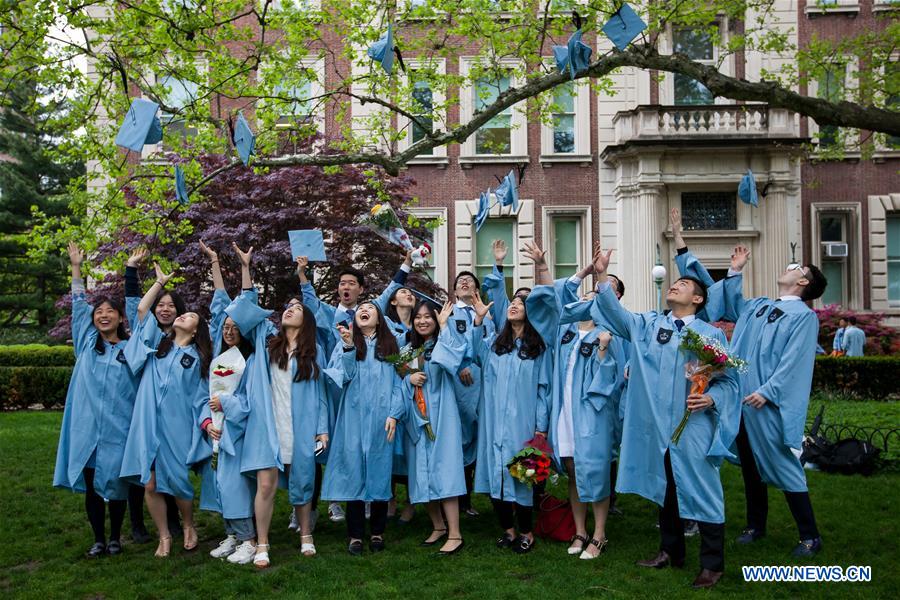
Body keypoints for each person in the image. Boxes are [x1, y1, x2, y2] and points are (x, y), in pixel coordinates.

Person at [590, 242, 739, 590]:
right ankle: (670, 551)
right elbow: (617, 316)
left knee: (703, 489)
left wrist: (712, 399)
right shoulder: (648, 324)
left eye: (684, 285)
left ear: (698, 300)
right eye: (674, 283)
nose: (675, 285)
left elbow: (731, 380)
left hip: (692, 425)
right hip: (656, 423)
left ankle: (712, 564)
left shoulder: (709, 335)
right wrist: (601, 275)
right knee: (666, 487)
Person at [720, 245, 829, 558]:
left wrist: (768, 391)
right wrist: (736, 270)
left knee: (784, 465)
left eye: (796, 267)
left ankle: (810, 536)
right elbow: (732, 306)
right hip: (743, 399)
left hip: (765, 402)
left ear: (804, 282)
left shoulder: (804, 318)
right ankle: (756, 526)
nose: (789, 268)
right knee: (751, 467)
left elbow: (795, 362)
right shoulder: (762, 306)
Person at [227, 262, 330, 568]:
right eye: (287, 307)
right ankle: (262, 543)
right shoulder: (266, 342)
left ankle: (306, 535)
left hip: (301, 424)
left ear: (306, 320)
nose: (289, 309)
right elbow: (247, 307)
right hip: (267, 425)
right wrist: (246, 268)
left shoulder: (313, 353)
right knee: (266, 485)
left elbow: (322, 394)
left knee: (302, 483)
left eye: (296, 308)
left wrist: (322, 428)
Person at [298, 252, 412, 524]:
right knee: (339, 443)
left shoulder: (370, 311)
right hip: (335, 382)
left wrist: (407, 264)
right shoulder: (329, 314)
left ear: (360, 289)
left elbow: (390, 291)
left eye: (351, 282)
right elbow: (310, 302)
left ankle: (373, 498)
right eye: (342, 283)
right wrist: (302, 274)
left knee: (368, 441)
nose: (345, 287)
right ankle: (337, 499)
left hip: (366, 384)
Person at [471, 241, 559, 555]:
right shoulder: (497, 346)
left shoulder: (537, 350)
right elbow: (473, 350)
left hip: (523, 424)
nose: (514, 305)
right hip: (494, 423)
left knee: (522, 477)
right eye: (512, 303)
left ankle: (526, 531)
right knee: (496, 475)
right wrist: (498, 266)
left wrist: (541, 428)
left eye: (521, 303)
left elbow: (543, 391)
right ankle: (507, 530)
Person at [53, 243, 140, 558]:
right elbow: (78, 305)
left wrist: (132, 271)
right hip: (88, 427)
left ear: (119, 318)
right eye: (99, 312)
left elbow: (138, 312)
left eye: (110, 312)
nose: (103, 316)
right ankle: (98, 539)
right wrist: (76, 268)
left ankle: (116, 537)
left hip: (119, 427)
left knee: (117, 485)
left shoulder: (131, 350)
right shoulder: (87, 344)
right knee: (91, 485)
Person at [120, 263, 213, 558]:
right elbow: (141, 312)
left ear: (196, 329)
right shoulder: (157, 345)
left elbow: (200, 398)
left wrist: (205, 422)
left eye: (188, 316)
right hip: (147, 422)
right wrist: (158, 284)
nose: (181, 315)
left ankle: (187, 525)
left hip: (177, 425)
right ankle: (164, 536)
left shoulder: (197, 358)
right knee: (149, 482)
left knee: (178, 481)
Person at [322, 301, 405, 555]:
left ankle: (378, 532)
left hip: (382, 420)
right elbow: (343, 376)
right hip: (354, 419)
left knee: (380, 474)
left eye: (369, 308)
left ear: (379, 318)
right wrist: (348, 346)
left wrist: (394, 414)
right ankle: (355, 535)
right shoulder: (346, 344)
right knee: (354, 473)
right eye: (359, 310)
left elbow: (400, 384)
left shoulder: (391, 347)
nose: (363, 311)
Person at [196, 241, 258, 565]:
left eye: (235, 327)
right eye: (226, 327)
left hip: (239, 432)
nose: (229, 329)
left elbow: (248, 401)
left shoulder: (249, 362)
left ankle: (249, 538)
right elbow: (220, 304)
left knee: (236, 486)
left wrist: (245, 268)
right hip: (218, 431)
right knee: (221, 484)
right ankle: (232, 534)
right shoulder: (217, 358)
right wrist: (216, 263)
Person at [398, 300, 468, 554]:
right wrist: (409, 378)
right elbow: (398, 379)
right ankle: (438, 526)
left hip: (443, 415)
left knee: (446, 470)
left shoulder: (443, 341)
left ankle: (456, 533)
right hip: (417, 417)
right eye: (419, 317)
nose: (423, 321)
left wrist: (445, 326)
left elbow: (453, 359)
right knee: (422, 470)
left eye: (428, 317)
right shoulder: (407, 350)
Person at [123, 249, 183, 544]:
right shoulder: (147, 334)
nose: (165, 309)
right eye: (162, 305)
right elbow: (140, 309)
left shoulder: (185, 339)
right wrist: (158, 283)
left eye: (171, 306)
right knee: (146, 469)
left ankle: (176, 522)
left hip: (174, 414)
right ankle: (145, 526)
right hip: (146, 411)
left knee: (170, 468)